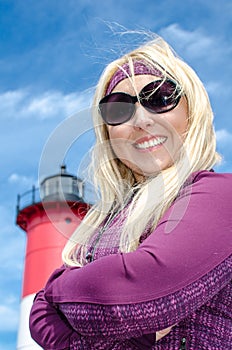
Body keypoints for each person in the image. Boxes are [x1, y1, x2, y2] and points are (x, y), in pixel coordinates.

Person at [29, 34, 232, 350]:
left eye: (161, 97)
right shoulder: (101, 223)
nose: (141, 120)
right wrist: (130, 335)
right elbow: (38, 317)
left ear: (192, 113)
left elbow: (150, 293)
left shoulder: (219, 194)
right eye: (119, 109)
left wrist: (54, 292)